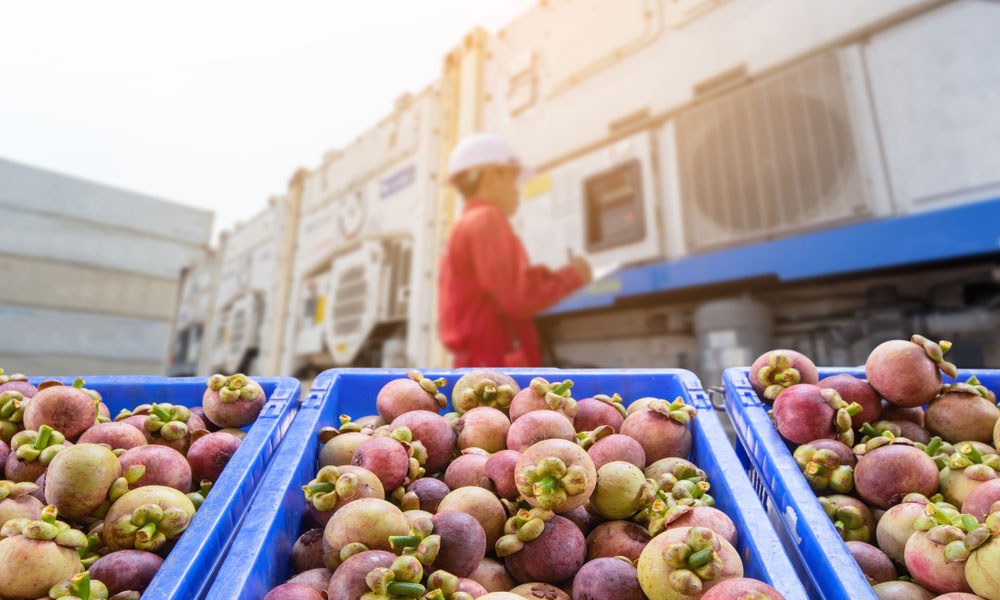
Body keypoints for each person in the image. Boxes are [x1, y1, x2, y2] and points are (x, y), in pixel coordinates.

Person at [437, 133, 592, 368]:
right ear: (490, 177)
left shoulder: (463, 226)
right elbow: (517, 297)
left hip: (476, 365)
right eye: (512, 180)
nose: (517, 190)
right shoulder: (487, 220)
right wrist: (573, 275)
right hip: (495, 369)